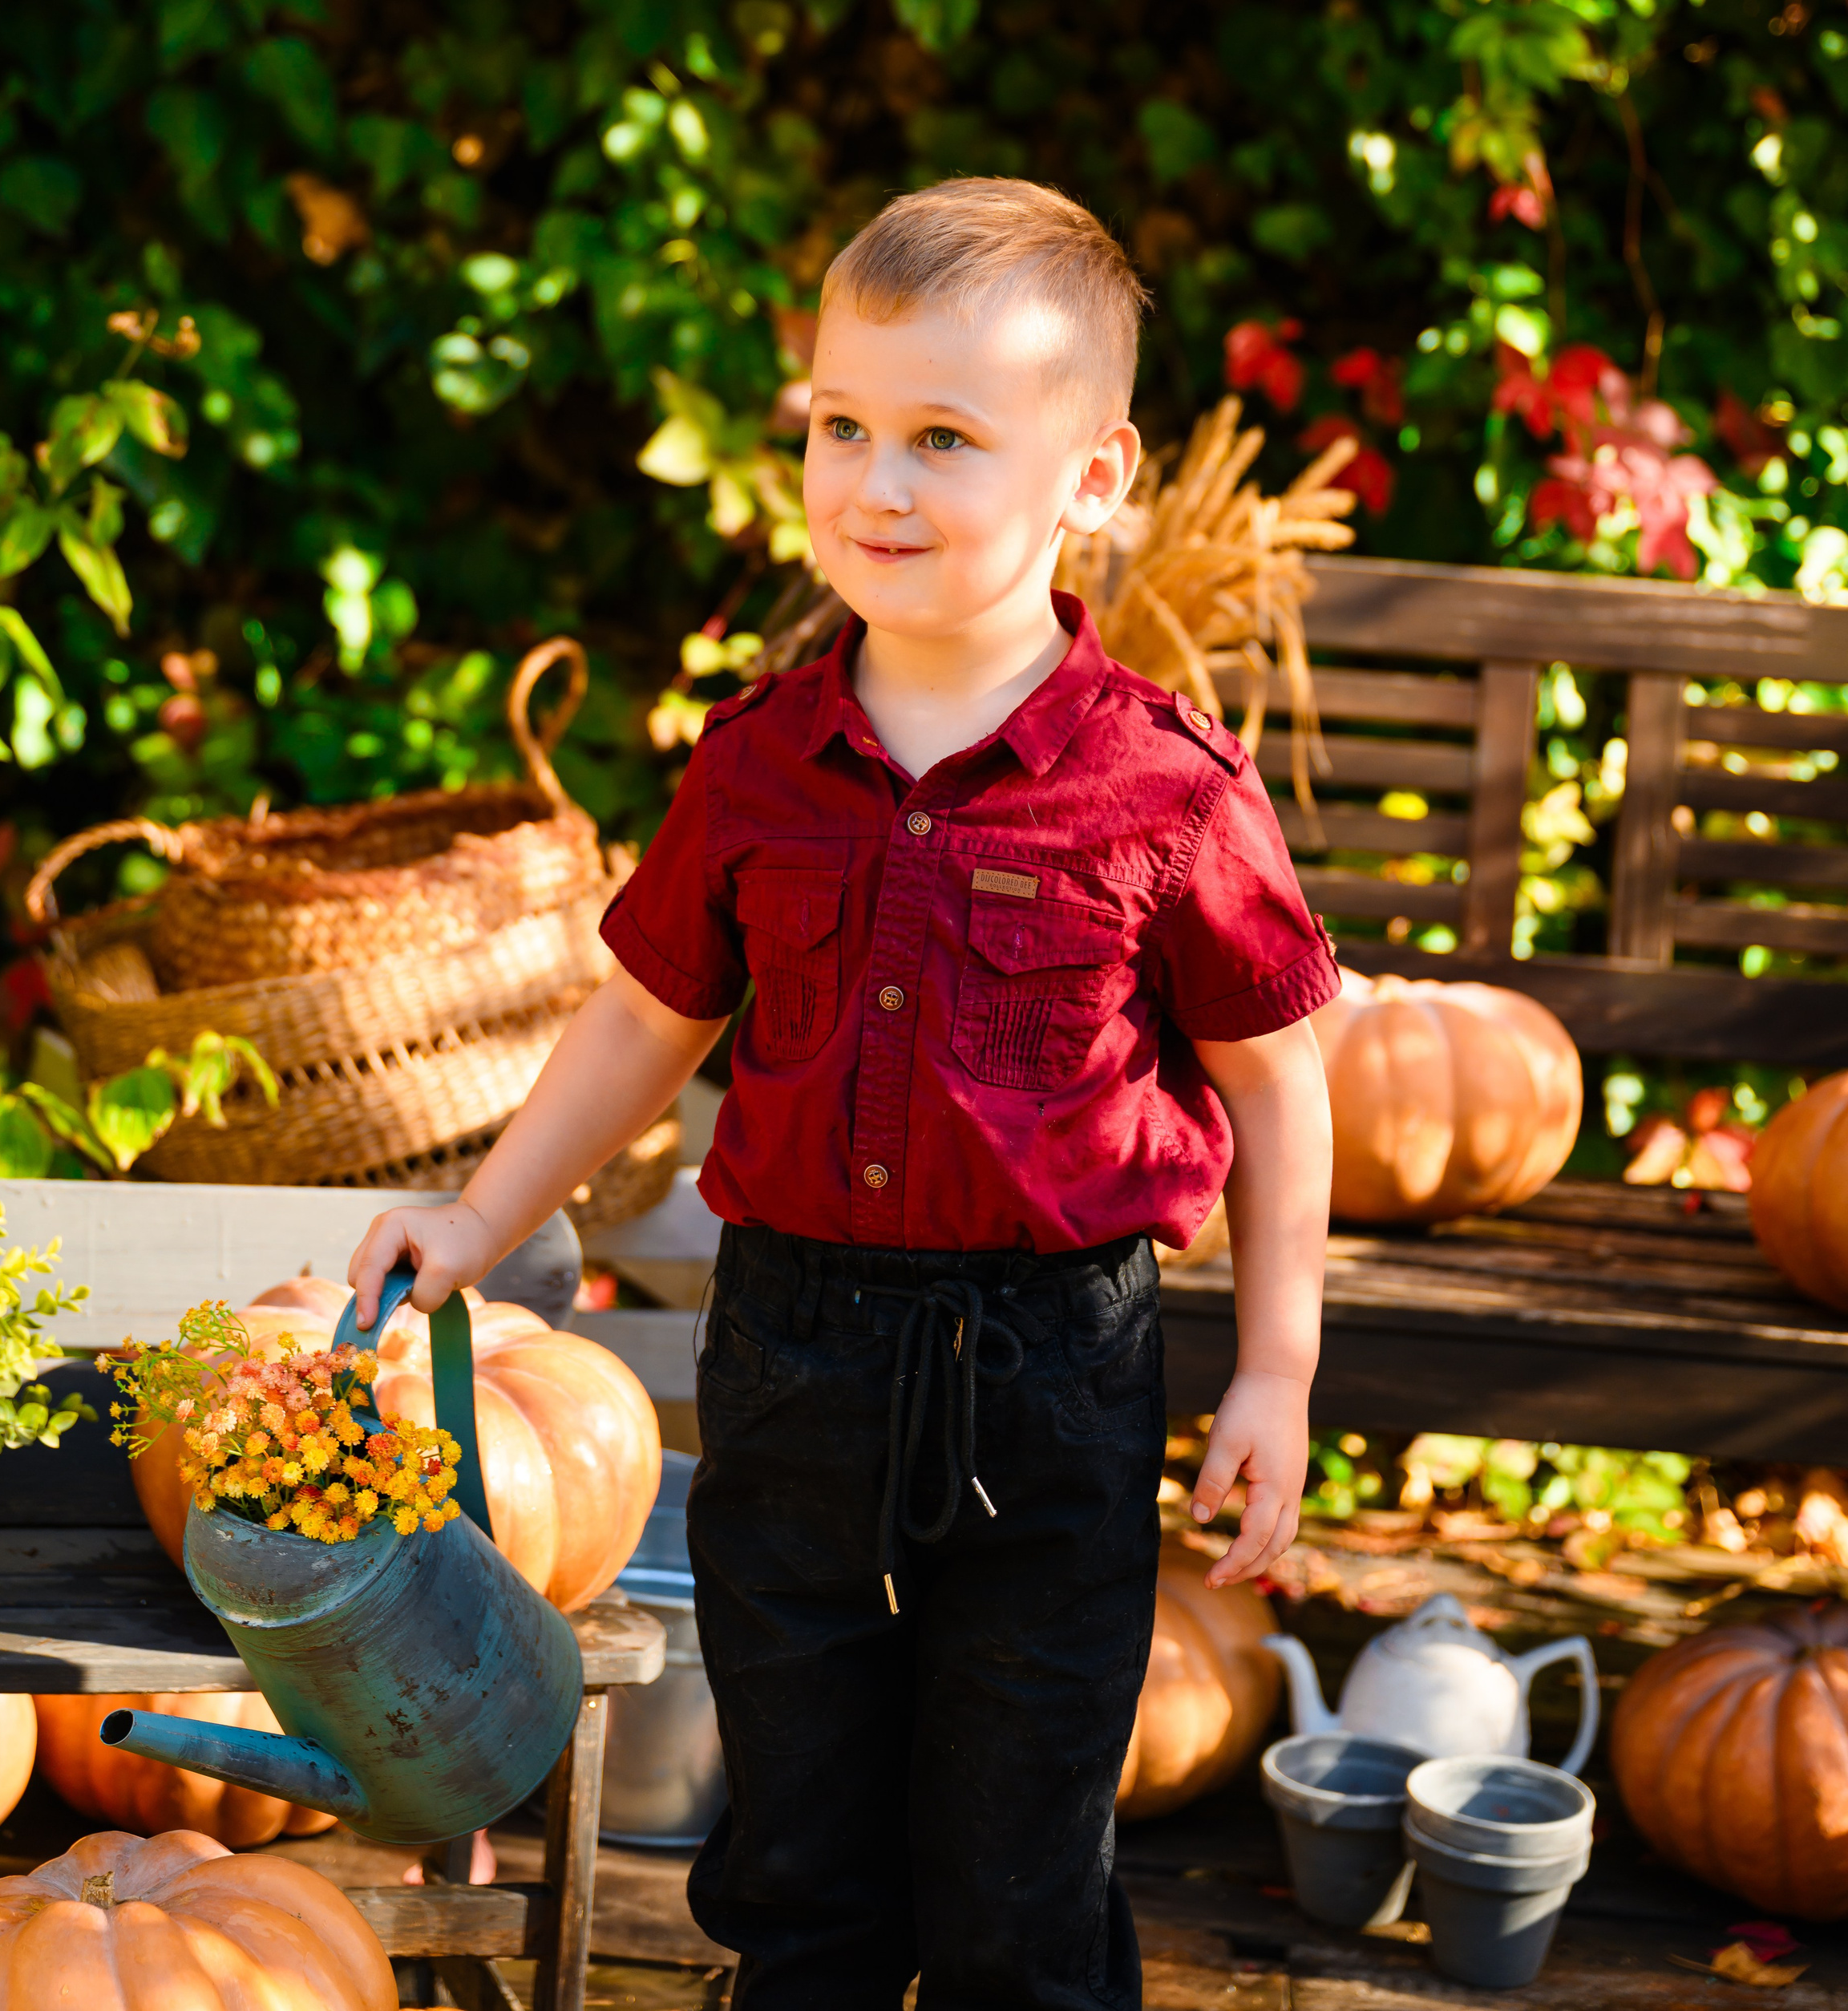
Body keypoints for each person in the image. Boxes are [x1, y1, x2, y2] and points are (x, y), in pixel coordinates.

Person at [350, 176, 1334, 2011]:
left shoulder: (1168, 795)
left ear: (1090, 479)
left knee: (1016, 1870)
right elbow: (643, 1022)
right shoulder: (753, 768)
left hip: (1052, 1386)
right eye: (843, 428)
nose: (875, 485)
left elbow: (1278, 1089)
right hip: (793, 1359)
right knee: (795, 1850)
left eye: (943, 440)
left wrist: (1273, 1368)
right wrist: (479, 1217)